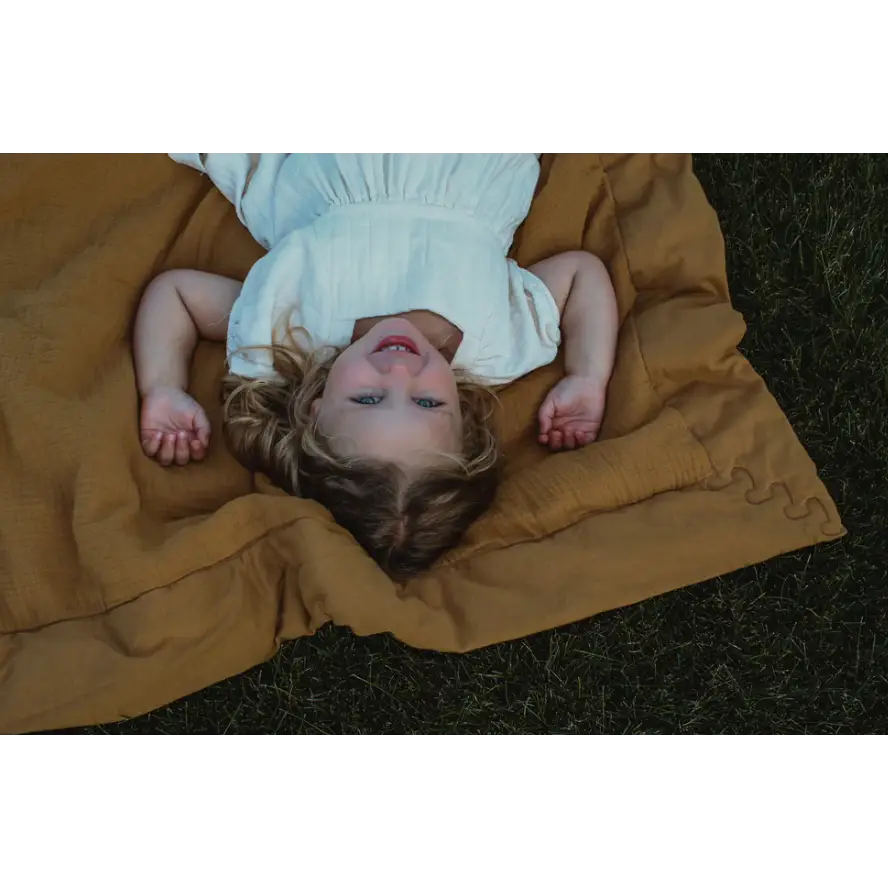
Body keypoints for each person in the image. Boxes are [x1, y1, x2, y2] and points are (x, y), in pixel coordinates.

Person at [133, 152, 618, 579]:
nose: (400, 373)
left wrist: (163, 386)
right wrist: (587, 376)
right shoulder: (499, 342)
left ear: (315, 411)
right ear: (465, 420)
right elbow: (580, 277)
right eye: (428, 402)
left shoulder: (289, 330)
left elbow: (176, 295)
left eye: (368, 398)